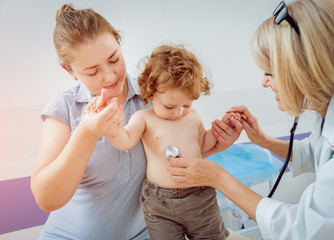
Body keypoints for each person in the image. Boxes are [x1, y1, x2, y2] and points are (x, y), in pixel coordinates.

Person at [30, 4, 241, 240]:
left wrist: (216, 144)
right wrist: (88, 133)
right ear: (69, 70)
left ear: (120, 45)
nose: (110, 76)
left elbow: (176, 154)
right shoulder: (65, 107)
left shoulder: (156, 94)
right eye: (92, 71)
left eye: (114, 59)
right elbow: (46, 199)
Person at [167, 0, 334, 239]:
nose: (263, 82)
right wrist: (263, 140)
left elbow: (301, 229)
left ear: (306, 69)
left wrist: (218, 177)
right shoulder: (333, 110)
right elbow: (316, 153)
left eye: (270, 72)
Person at [87, 44, 242, 239]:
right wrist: (113, 129)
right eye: (170, 106)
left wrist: (221, 131)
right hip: (160, 203)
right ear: (151, 93)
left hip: (199, 196)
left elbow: (202, 144)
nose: (178, 113)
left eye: (186, 104)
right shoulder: (144, 118)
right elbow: (125, 141)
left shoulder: (193, 116)